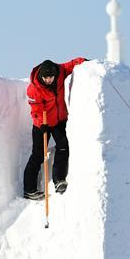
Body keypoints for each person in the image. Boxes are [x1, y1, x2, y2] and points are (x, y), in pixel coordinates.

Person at [23, 56, 87, 200]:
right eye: (46, 78)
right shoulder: (34, 89)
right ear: (41, 76)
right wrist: (41, 124)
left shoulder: (60, 72)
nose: (49, 81)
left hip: (59, 121)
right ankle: (29, 190)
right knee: (38, 155)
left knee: (63, 146)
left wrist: (85, 62)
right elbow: (35, 110)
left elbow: (70, 65)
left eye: (51, 78)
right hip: (42, 123)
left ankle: (59, 180)